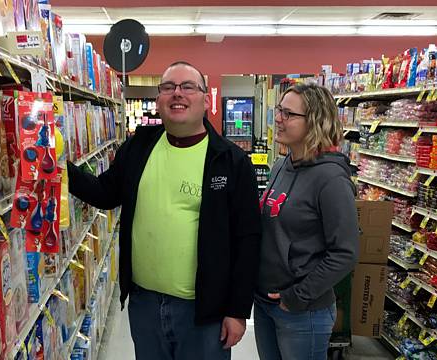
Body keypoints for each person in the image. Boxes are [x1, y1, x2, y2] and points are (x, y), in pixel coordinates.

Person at [67, 61, 261, 360]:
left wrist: (237, 311)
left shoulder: (230, 161)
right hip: (144, 303)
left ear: (205, 99)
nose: (177, 94)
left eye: (187, 87)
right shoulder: (139, 147)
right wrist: (57, 169)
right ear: (159, 100)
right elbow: (106, 193)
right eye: (168, 87)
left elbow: (248, 240)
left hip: (203, 311)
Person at [254, 83, 358, 360]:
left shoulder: (331, 179)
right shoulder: (280, 166)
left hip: (303, 311)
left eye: (288, 114)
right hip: (265, 301)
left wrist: (297, 296)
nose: (278, 118)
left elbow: (345, 253)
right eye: (279, 110)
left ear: (314, 121)